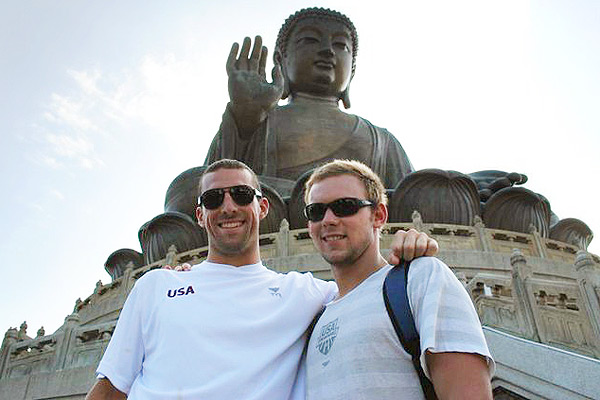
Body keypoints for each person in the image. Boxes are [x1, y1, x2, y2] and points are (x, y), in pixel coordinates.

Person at [86, 159, 438, 400]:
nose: (228, 207)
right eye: (213, 199)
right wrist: (243, 118)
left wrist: (410, 246)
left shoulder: (303, 293)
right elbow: (111, 387)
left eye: (241, 195)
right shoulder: (155, 287)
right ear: (199, 215)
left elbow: (366, 284)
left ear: (263, 206)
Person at [303, 159, 494, 399]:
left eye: (345, 206)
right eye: (316, 211)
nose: (328, 220)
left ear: (379, 215)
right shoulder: (315, 318)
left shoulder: (419, 278)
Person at [205, 7, 413, 189]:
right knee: (189, 183)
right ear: (280, 60)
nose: (327, 51)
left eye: (341, 45)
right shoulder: (256, 119)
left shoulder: (382, 141)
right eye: (310, 40)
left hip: (357, 220)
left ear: (353, 70)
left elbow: (409, 197)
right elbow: (212, 187)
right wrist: (245, 115)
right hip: (273, 214)